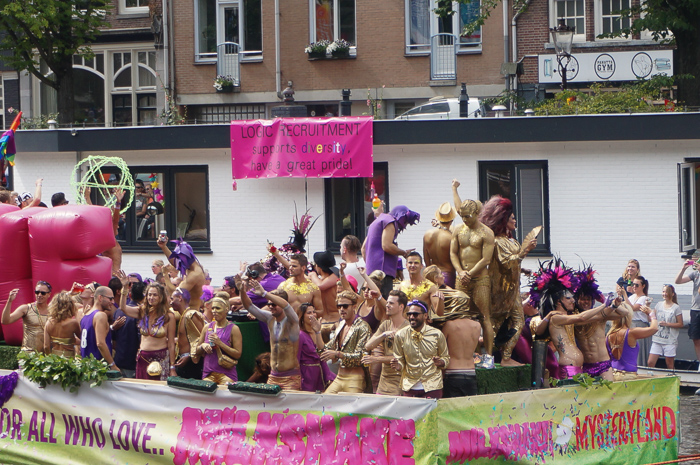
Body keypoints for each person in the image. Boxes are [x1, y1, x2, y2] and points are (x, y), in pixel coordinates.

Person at [479, 195, 537, 367]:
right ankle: (500, 356)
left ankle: (504, 356)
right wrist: (525, 251)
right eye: (512, 218)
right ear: (503, 220)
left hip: (512, 288)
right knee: (506, 322)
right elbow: (507, 261)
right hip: (501, 290)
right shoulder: (497, 241)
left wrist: (523, 268)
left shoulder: (510, 240)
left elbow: (513, 262)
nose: (515, 220)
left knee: (517, 321)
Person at [529, 260, 609, 379]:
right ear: (558, 301)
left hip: (577, 367)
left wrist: (612, 306)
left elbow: (585, 317)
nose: (573, 300)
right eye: (568, 298)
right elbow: (581, 317)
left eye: (573, 298)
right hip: (568, 367)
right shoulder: (556, 318)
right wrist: (604, 305)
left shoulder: (568, 317)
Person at [450, 199, 495, 367]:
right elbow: (453, 253)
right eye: (462, 216)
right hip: (462, 278)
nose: (465, 220)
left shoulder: (486, 233)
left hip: (480, 278)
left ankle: (489, 356)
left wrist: (470, 273)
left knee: (484, 316)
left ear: (477, 214)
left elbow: (486, 259)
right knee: (465, 317)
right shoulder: (458, 230)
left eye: (468, 216)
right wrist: (461, 272)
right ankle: (474, 354)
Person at [240, 277, 301, 390]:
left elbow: (286, 306)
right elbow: (249, 306)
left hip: (290, 377)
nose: (271, 307)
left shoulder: (292, 321)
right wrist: (242, 291)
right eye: (269, 304)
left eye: (274, 304)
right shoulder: (270, 319)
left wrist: (264, 293)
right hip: (273, 376)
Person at [117, 272, 177, 380]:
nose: (151, 297)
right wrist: (125, 288)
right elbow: (123, 308)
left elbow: (171, 344)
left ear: (161, 297)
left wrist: (172, 367)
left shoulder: (168, 316)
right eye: (149, 294)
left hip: (160, 359)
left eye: (155, 295)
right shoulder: (142, 311)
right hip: (143, 358)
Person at [390, 300, 450, 398]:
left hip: (432, 386)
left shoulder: (437, 334)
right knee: (409, 414)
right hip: (410, 386)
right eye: (409, 314)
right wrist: (398, 366)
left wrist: (441, 362)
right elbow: (399, 359)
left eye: (415, 314)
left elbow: (446, 357)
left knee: (432, 414)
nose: (412, 317)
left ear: (425, 316)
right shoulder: (400, 335)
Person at [572, 266, 622, 381]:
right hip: (585, 365)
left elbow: (623, 313)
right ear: (577, 300)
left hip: (603, 364)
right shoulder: (574, 317)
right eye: (583, 299)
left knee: (609, 394)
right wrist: (606, 306)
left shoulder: (601, 315)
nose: (586, 302)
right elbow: (582, 319)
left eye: (588, 299)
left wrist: (610, 302)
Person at [362, 205, 420, 298]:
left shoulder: (376, 222)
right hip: (383, 274)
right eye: (405, 221)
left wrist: (370, 266)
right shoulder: (389, 221)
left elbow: (363, 249)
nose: (404, 225)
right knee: (383, 305)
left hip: (371, 273)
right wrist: (404, 253)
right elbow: (386, 246)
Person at [321, 290, 372, 394]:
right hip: (339, 376)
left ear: (354, 307)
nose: (341, 309)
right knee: (325, 404)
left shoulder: (363, 326)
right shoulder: (341, 325)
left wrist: (337, 354)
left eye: (345, 306)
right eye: (339, 306)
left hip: (355, 378)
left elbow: (360, 357)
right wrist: (317, 332)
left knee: (350, 409)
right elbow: (327, 347)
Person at [363, 290, 409, 396]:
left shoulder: (408, 329)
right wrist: (383, 335)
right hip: (383, 381)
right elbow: (368, 346)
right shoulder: (385, 325)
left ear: (401, 307)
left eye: (391, 303)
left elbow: (401, 358)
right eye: (387, 302)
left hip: (400, 380)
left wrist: (376, 359)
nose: (387, 305)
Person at [191, 296, 242, 384]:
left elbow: (237, 354)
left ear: (226, 309)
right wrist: (203, 346)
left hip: (227, 374)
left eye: (218, 308)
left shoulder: (234, 329)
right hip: (208, 374)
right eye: (213, 308)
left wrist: (220, 343)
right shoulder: (207, 327)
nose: (214, 311)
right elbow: (196, 352)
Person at [607, 303, 658, 381]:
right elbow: (654, 328)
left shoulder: (608, 335)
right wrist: (651, 314)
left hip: (612, 374)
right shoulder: (631, 333)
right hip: (628, 375)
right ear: (628, 316)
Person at [2, 280, 53, 353]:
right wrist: (9, 301)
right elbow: (5, 321)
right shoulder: (26, 308)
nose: (39, 295)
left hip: (46, 355)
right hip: (28, 354)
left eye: (43, 293)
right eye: (37, 292)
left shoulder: (52, 311)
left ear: (49, 294)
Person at [158, 236, 206, 310]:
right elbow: (174, 261)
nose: (176, 263)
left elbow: (174, 294)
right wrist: (164, 247)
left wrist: (165, 275)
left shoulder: (194, 275)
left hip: (190, 313)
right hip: (186, 311)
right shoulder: (191, 266)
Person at [297, 303, 336, 391]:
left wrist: (318, 332)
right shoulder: (300, 335)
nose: (312, 315)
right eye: (309, 313)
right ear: (302, 316)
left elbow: (322, 350)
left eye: (314, 312)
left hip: (320, 370)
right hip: (307, 374)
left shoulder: (316, 332)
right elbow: (296, 358)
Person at [80, 286, 119, 370]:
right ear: (100, 298)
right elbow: (100, 343)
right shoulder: (100, 315)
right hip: (98, 368)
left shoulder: (85, 316)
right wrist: (112, 364)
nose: (113, 302)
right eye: (110, 298)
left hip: (86, 367)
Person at [172, 288, 205, 379]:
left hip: (193, 364)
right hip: (183, 362)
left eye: (172, 299)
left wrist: (190, 356)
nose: (170, 302)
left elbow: (202, 338)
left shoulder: (191, 315)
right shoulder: (183, 315)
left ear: (179, 298)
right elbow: (187, 338)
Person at [423, 202, 458, 288]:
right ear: (452, 220)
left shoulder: (427, 234)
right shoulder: (451, 237)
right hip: (447, 274)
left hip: (432, 275)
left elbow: (426, 257)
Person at [648, 284, 683, 369]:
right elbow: (651, 319)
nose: (664, 294)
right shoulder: (659, 305)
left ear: (672, 294)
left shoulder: (676, 307)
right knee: (650, 362)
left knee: (669, 364)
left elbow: (680, 324)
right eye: (663, 291)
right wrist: (648, 307)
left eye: (667, 292)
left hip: (670, 340)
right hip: (657, 339)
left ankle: (673, 379)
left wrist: (667, 324)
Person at [622, 275, 652, 367]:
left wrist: (624, 295)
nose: (634, 286)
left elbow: (633, 308)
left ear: (643, 286)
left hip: (639, 325)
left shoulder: (644, 298)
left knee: (638, 350)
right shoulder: (632, 297)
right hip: (630, 324)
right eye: (633, 284)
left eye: (637, 285)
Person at [674, 259, 700, 363]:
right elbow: (678, 281)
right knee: (696, 338)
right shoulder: (695, 274)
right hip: (695, 310)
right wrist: (683, 269)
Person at [43, 291, 80, 357]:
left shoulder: (49, 322)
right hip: (69, 359)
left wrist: (50, 358)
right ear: (70, 305)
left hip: (54, 359)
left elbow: (46, 346)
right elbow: (84, 339)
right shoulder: (73, 323)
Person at [308, 251, 339, 319]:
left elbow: (320, 286)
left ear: (319, 267)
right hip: (328, 321)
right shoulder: (335, 279)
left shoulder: (337, 276)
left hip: (329, 320)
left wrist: (313, 275)